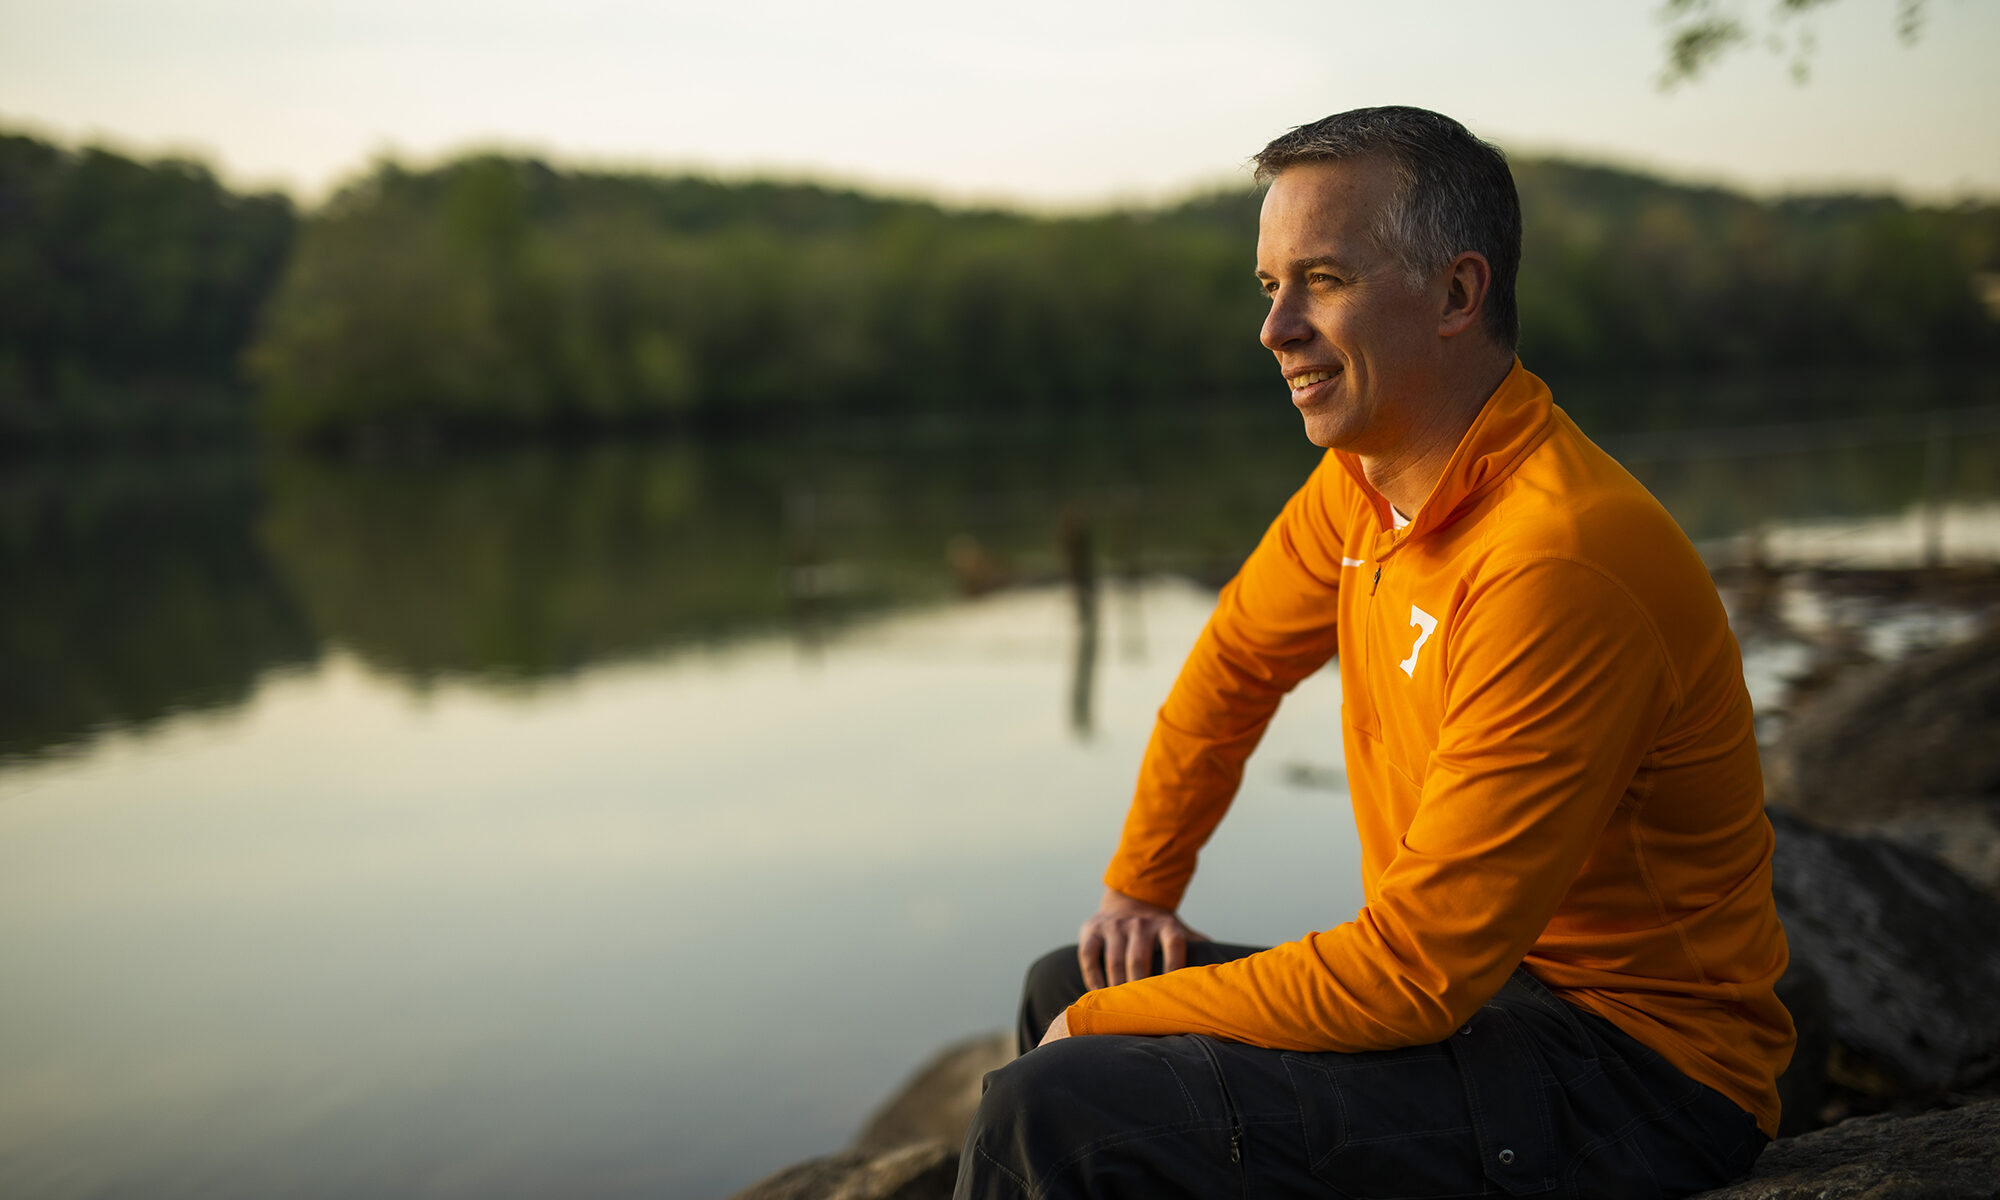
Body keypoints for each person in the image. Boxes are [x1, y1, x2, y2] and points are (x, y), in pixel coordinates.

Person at [955, 106, 1793, 1200]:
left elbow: (1411, 975)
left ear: (1455, 294)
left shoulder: (1555, 560)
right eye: (1268, 288)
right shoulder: (1360, 490)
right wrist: (1137, 889)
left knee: (1058, 1106)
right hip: (1485, 1011)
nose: (1275, 330)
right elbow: (1233, 669)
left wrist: (1100, 1024)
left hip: (1632, 1076)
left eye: (1323, 280)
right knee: (1069, 979)